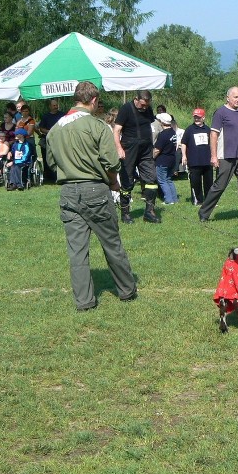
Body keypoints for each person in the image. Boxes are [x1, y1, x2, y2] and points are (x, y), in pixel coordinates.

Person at [45, 80, 137, 311]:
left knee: (77, 251)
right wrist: (114, 182)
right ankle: (127, 290)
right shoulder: (97, 126)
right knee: (111, 243)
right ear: (94, 101)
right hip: (95, 189)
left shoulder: (56, 128)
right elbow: (111, 162)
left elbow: (50, 162)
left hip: (68, 191)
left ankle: (84, 302)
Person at [198, 87, 238, 224]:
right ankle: (204, 212)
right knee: (220, 186)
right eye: (235, 97)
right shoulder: (220, 112)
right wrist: (213, 156)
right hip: (225, 155)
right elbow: (213, 134)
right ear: (228, 97)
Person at [113, 90, 160, 223]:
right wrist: (119, 148)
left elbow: (150, 126)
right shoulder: (126, 109)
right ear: (136, 99)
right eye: (142, 105)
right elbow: (116, 130)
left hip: (146, 149)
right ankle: (125, 213)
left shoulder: (148, 109)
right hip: (129, 148)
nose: (144, 108)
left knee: (151, 179)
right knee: (127, 181)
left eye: (147, 105)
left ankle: (149, 212)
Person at [180, 108, 213, 206]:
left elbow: (213, 143)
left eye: (198, 117)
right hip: (194, 161)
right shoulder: (189, 129)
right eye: (195, 117)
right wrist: (184, 156)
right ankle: (197, 201)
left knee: (209, 183)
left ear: (203, 117)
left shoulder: (208, 129)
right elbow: (183, 143)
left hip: (207, 161)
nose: (196, 119)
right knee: (195, 183)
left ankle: (209, 201)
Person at [152, 113, 178, 205]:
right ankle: (174, 198)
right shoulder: (173, 132)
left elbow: (157, 150)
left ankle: (168, 200)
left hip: (163, 160)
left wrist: (152, 158)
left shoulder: (163, 134)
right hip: (172, 158)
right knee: (168, 179)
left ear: (162, 122)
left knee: (162, 180)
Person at [38, 99, 65, 183]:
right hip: (48, 140)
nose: (55, 107)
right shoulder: (45, 116)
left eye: (56, 105)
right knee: (47, 159)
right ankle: (48, 176)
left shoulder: (63, 115)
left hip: (60, 140)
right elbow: (41, 128)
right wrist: (50, 132)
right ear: (50, 106)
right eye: (53, 105)